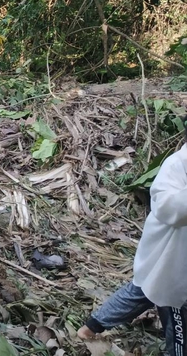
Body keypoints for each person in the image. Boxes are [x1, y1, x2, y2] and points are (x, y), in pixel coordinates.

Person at [77, 140, 187, 356]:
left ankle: (90, 328)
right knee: (168, 310)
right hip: (171, 264)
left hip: (170, 265)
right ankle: (89, 329)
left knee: (141, 292)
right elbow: (167, 207)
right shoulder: (177, 165)